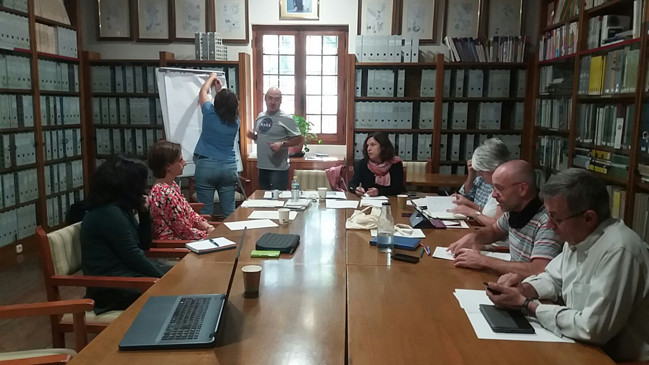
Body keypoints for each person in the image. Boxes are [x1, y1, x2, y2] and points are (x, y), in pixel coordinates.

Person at [487, 169, 649, 362]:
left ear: (589, 218)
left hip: (618, 359)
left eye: (556, 218)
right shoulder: (578, 237)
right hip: (581, 347)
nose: (548, 225)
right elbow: (553, 278)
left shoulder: (620, 250)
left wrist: (527, 304)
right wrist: (525, 288)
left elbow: (592, 328)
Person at [81, 156, 169, 315]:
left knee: (179, 274)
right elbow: (134, 257)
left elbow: (144, 245)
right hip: (112, 289)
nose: (143, 188)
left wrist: (144, 213)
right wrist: (166, 279)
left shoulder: (119, 209)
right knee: (175, 285)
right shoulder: (108, 213)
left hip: (126, 277)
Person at [448, 160, 562, 276]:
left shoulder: (547, 222)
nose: (493, 194)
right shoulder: (514, 209)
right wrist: (475, 237)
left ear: (522, 189)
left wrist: (484, 261)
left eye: (499, 189)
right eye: (493, 188)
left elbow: (538, 269)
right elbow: (494, 231)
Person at [147, 140, 216, 241]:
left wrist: (208, 227)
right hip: (174, 245)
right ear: (168, 166)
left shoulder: (172, 185)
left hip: (187, 239)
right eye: (180, 160)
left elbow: (189, 212)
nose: (184, 163)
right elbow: (183, 231)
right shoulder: (162, 192)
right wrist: (210, 235)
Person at [195, 72, 240, 218]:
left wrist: (211, 77)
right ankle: (232, 240)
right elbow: (226, 106)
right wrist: (220, 90)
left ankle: (207, 239)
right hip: (228, 167)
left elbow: (203, 92)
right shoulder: (235, 122)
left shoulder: (209, 113)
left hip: (207, 165)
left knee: (205, 212)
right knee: (229, 212)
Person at [247, 88, 303, 190]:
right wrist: (253, 136)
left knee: (278, 202)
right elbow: (261, 138)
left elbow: (299, 139)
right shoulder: (260, 116)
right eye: (270, 98)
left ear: (281, 101)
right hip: (262, 167)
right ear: (265, 99)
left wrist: (282, 144)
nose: (273, 102)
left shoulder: (286, 118)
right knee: (264, 202)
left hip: (278, 170)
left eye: (276, 99)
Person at [449, 138, 510, 226]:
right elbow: (488, 213)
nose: (479, 174)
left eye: (482, 170)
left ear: (494, 167)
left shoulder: (504, 189)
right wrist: (466, 203)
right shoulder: (495, 186)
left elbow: (498, 226)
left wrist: (472, 212)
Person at [349, 132, 404, 197]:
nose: (368, 149)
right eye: (367, 146)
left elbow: (397, 189)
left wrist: (379, 192)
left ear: (383, 147)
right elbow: (351, 185)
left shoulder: (395, 164)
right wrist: (356, 189)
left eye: (373, 145)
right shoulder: (363, 163)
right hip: (368, 201)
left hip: (390, 201)